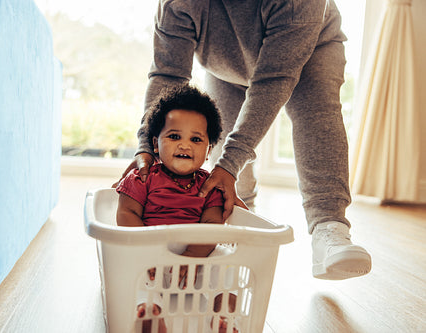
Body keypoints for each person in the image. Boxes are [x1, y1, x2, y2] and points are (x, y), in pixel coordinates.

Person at [117, 0, 371, 281]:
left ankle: (329, 227)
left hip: (309, 49)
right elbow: (168, 75)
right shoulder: (180, 3)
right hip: (222, 63)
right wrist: (145, 146)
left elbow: (273, 80)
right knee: (224, 163)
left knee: (316, 111)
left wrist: (230, 163)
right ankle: (241, 225)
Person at [116, 85, 237, 333]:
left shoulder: (210, 185)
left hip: (196, 258)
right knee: (132, 270)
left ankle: (222, 312)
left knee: (224, 261)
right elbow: (127, 213)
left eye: (196, 139)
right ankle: (150, 310)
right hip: (150, 255)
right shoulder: (144, 177)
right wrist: (146, 252)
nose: (184, 146)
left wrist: (193, 256)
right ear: (155, 144)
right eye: (174, 137)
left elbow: (213, 226)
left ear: (209, 150)